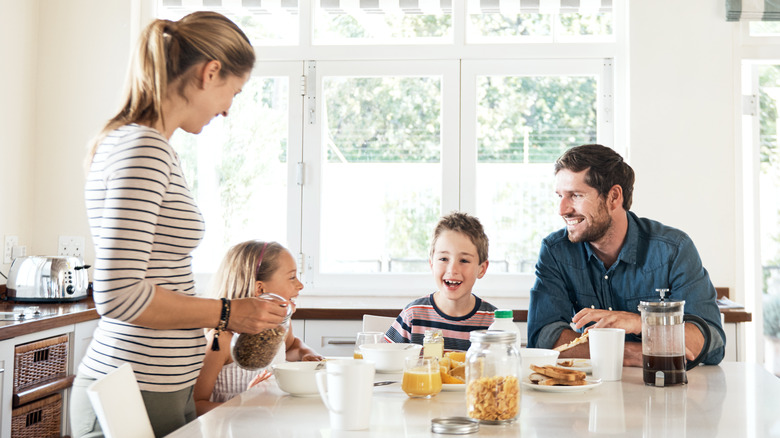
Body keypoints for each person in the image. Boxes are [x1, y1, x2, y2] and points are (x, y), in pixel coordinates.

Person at [71, 12, 289, 438]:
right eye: (234, 92)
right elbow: (118, 296)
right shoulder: (144, 148)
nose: (228, 109)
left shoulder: (144, 144)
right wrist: (229, 312)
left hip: (157, 387)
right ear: (210, 73)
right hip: (135, 388)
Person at [527, 144, 725, 366]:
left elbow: (710, 343)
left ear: (613, 197)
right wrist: (633, 354)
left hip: (666, 391)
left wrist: (643, 323)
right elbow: (544, 340)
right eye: (560, 196)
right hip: (591, 390)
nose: (562, 209)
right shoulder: (556, 251)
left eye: (575, 195)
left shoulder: (673, 249)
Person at [193, 240, 323, 415]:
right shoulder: (221, 340)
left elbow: (291, 347)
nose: (300, 285)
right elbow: (196, 407)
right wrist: (245, 404)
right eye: (292, 277)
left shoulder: (279, 326)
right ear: (260, 288)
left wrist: (305, 353)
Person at [386, 212, 497, 351]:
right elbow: (386, 363)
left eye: (464, 260)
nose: (452, 270)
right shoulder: (413, 315)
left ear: (481, 269)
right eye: (444, 259)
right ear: (432, 264)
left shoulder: (494, 323)